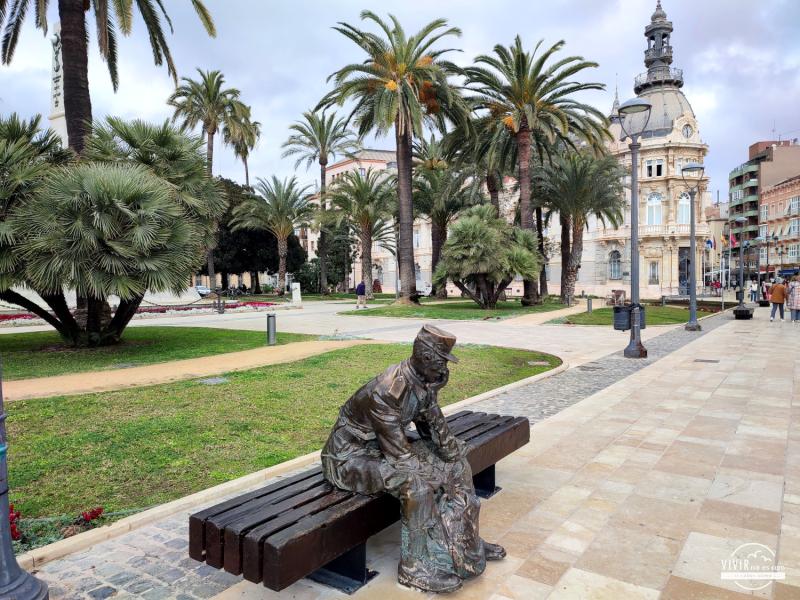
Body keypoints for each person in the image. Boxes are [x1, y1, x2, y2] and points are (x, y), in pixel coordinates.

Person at [321, 325, 505, 593]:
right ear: (426, 357)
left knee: (456, 465)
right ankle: (413, 568)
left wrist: (453, 457)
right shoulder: (387, 390)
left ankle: (465, 543)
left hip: (380, 448)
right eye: (442, 362)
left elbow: (436, 433)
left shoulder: (422, 383)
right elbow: (400, 456)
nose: (444, 369)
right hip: (348, 457)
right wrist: (436, 476)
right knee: (415, 484)